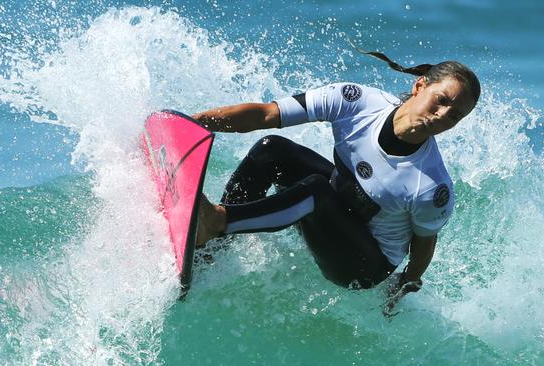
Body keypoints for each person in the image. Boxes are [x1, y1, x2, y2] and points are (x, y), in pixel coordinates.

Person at [191, 53, 480, 314]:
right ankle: (208, 251)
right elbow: (266, 114)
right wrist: (197, 122)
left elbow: (424, 244)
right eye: (441, 100)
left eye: (455, 115)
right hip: (338, 208)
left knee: (316, 189)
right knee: (272, 149)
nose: (442, 115)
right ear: (420, 87)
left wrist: (404, 286)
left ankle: (216, 222)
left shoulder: (431, 185)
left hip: (364, 265)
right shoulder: (356, 101)